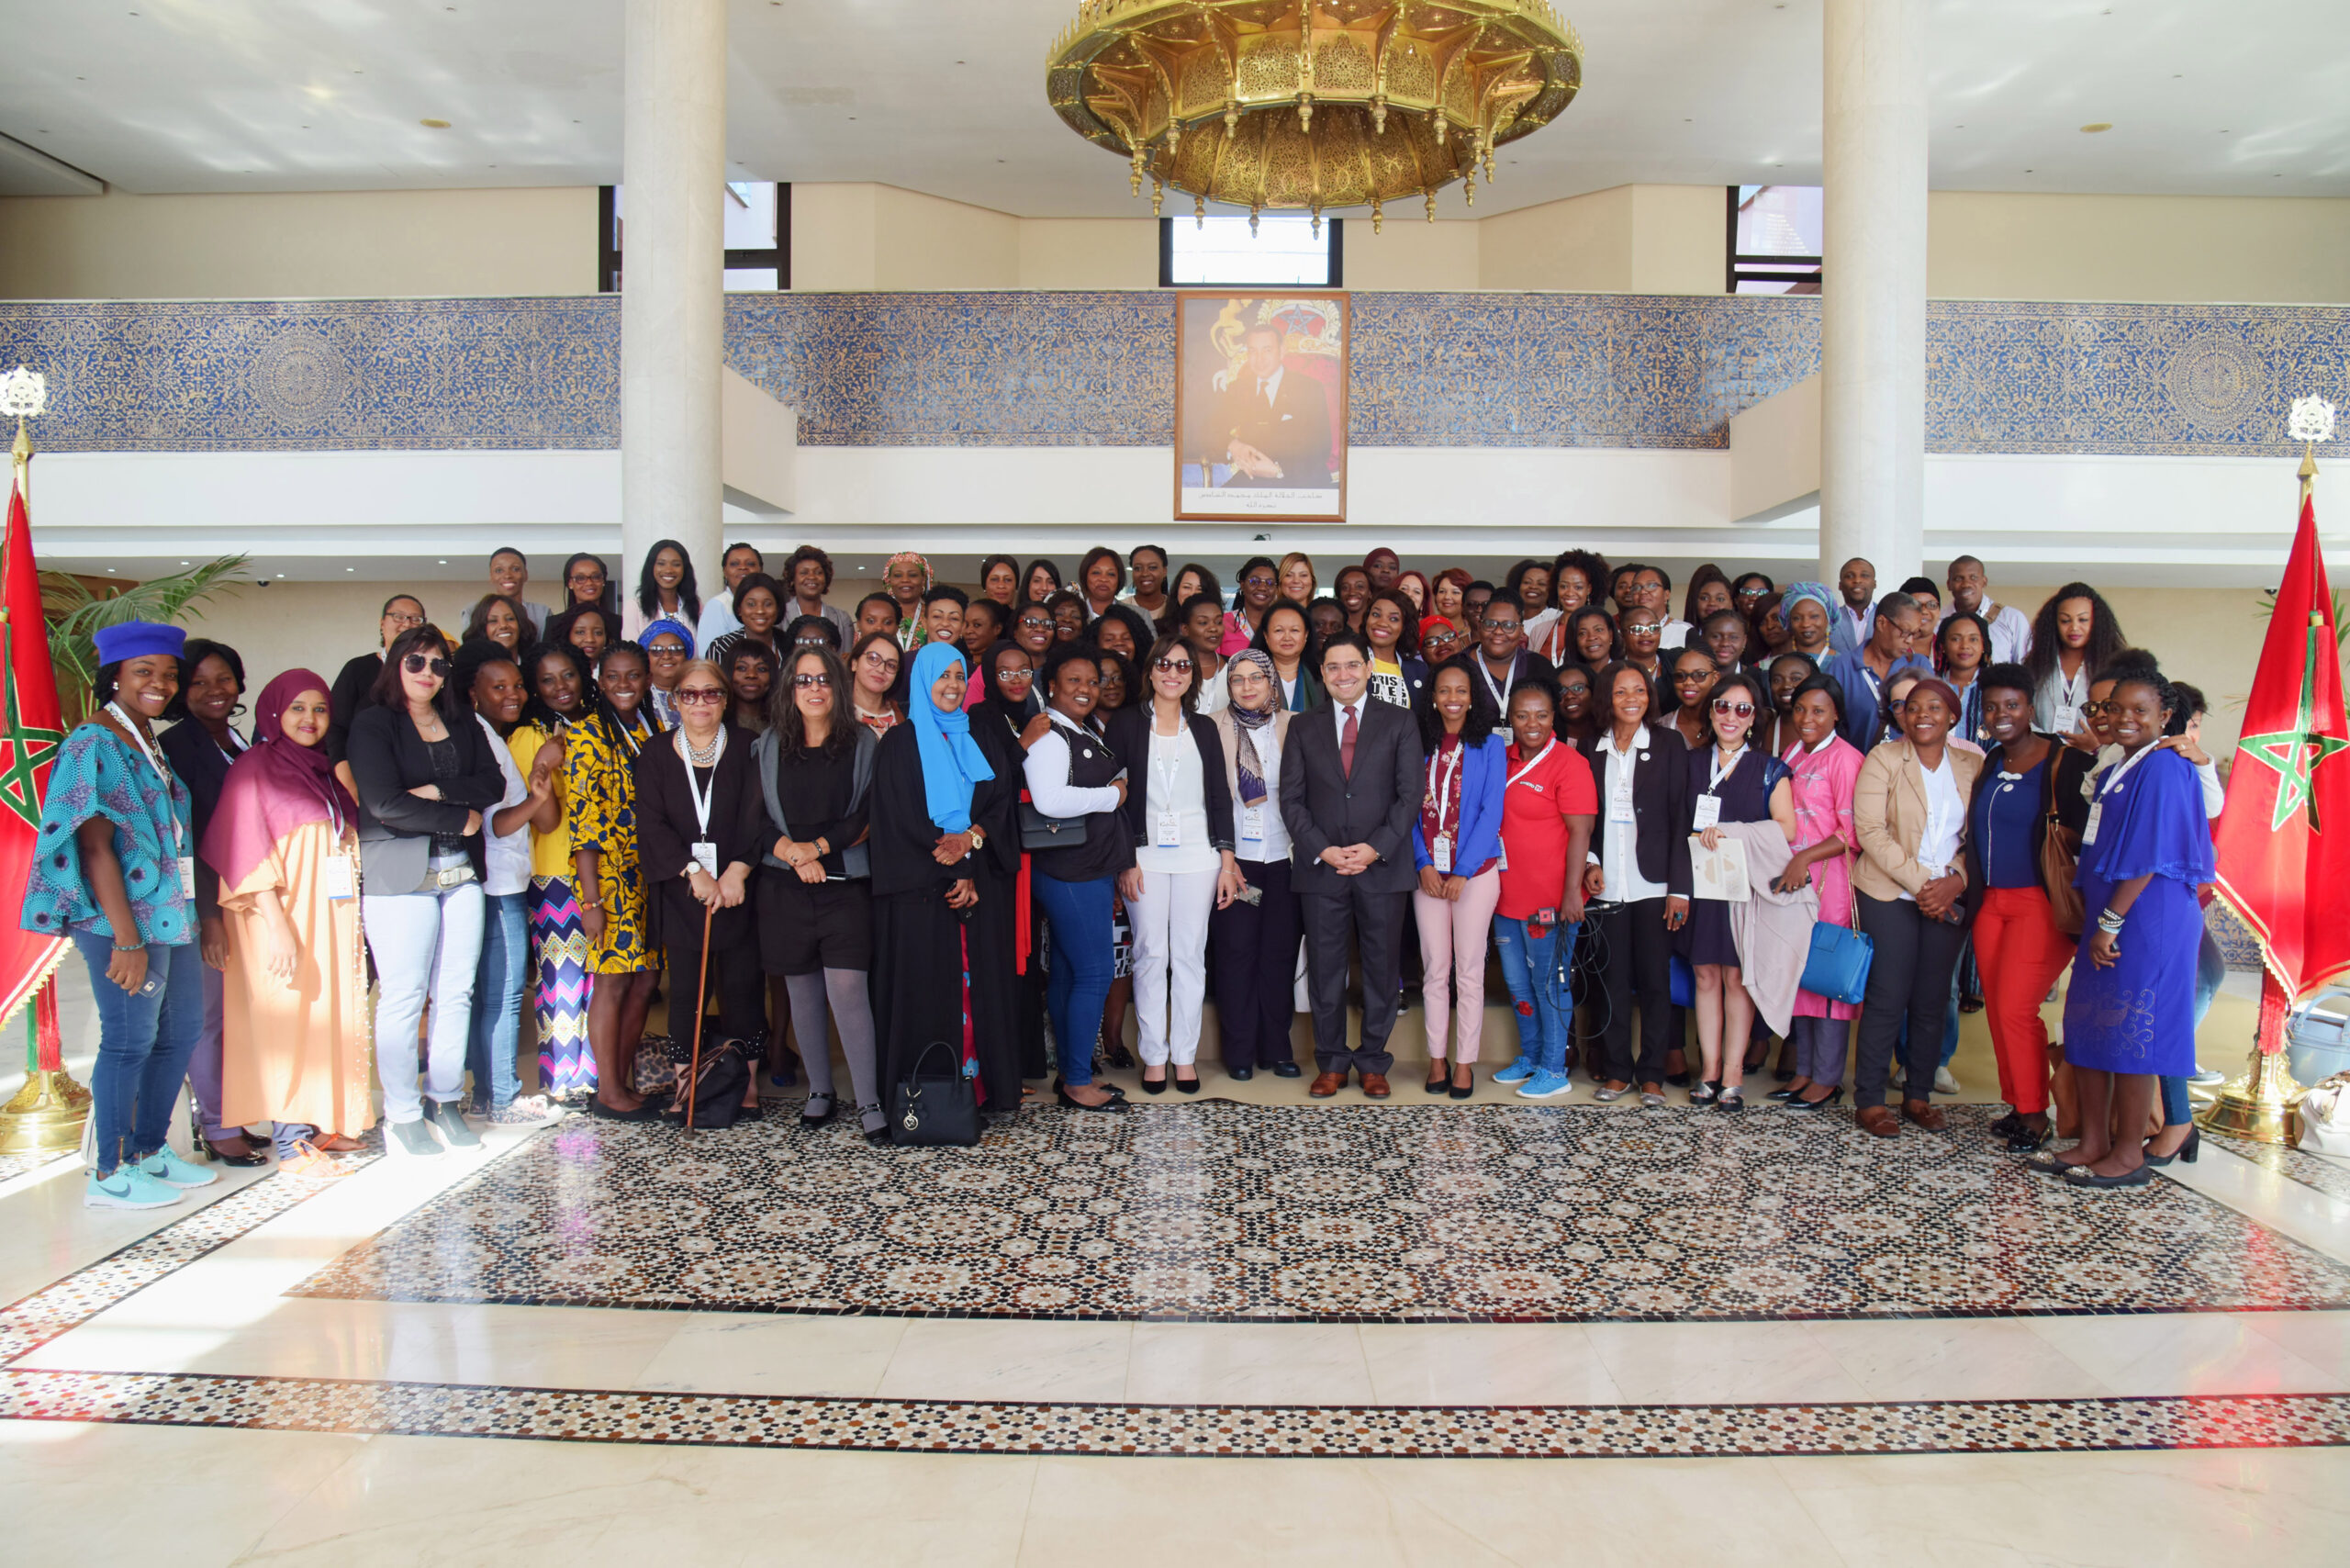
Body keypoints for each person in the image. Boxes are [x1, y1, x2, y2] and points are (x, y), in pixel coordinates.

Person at [27, 622, 213, 1208]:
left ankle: (150, 1150)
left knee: (179, 1032)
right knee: (129, 1041)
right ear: (115, 676)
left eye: (168, 674)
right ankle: (109, 1173)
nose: (160, 683)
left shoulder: (145, 739)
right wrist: (127, 941)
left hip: (170, 915)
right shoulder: (94, 741)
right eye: (145, 672)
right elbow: (94, 845)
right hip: (121, 923)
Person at [2044, 668, 2214, 1186]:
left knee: (2136, 1036)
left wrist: (2110, 923)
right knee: (2092, 1025)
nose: (2125, 719)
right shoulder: (2121, 762)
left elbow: (2149, 856)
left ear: (2165, 716)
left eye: (2140, 711)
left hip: (2147, 918)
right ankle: (2093, 1141)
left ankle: (2128, 1155)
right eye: (2116, 708)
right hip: (2109, 912)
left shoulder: (2165, 765)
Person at [198, 669, 372, 1176]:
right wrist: (277, 926)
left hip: (329, 917)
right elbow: (245, 854)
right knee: (287, 1021)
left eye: (319, 709)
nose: (309, 719)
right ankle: (291, 1136)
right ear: (274, 712)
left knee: (327, 1017)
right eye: (297, 708)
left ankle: (320, 1122)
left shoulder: (319, 771)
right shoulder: (256, 769)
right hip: (281, 919)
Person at [348, 625, 505, 1157]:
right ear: (395, 664)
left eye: (439, 665)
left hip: (460, 873)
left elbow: (493, 785)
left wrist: (441, 795)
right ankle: (403, 1113)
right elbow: (384, 804)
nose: (428, 674)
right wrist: (456, 815)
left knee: (455, 993)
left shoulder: (461, 721)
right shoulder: (373, 724)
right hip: (400, 876)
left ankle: (444, 1100)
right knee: (404, 995)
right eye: (416, 662)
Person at [874, 642, 1031, 1123]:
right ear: (921, 681)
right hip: (924, 895)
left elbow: (999, 803)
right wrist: (955, 867)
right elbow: (899, 819)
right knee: (931, 993)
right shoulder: (899, 744)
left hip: (981, 885)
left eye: (960, 676)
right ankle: (932, 1095)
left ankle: (984, 1090)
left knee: (982, 988)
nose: (952, 686)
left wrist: (972, 841)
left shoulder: (980, 735)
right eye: (942, 676)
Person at [1281, 631, 1422, 1099]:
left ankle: (1374, 1062)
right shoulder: (1303, 726)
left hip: (1381, 867)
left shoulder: (1400, 722)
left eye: (1352, 666)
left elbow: (1409, 797)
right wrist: (1322, 849)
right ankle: (1332, 1062)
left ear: (1367, 668)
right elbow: (1292, 800)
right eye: (1333, 667)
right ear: (1322, 674)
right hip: (1322, 867)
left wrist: (1374, 847)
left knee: (1382, 969)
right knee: (1325, 969)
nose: (1343, 675)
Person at [1962, 662, 2093, 1152]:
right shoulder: (1992, 760)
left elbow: (2090, 832)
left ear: (2030, 708)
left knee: (2019, 1007)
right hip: (1990, 903)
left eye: (2011, 705)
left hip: (2040, 903)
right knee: (1999, 1008)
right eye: (1992, 706)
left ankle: (2037, 1114)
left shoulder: (2065, 761)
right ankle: (2019, 1105)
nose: (2001, 714)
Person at [756, 645, 884, 1136]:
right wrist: (794, 854)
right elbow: (755, 817)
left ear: (838, 685)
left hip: (845, 885)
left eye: (823, 680)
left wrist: (819, 850)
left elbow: (868, 813)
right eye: (803, 681)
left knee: (849, 989)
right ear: (790, 688)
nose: (814, 689)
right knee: (802, 991)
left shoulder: (863, 743)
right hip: (784, 886)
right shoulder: (768, 745)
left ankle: (869, 1101)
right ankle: (820, 1090)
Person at [635, 656, 766, 1124]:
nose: (700, 702)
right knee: (688, 993)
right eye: (689, 693)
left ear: (725, 699)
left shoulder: (750, 748)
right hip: (684, 890)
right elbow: (650, 826)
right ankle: (687, 1088)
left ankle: (746, 1089)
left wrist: (737, 871)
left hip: (738, 889)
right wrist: (694, 872)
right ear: (675, 702)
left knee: (743, 989)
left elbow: (760, 816)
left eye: (711, 692)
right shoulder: (654, 754)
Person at [1104, 633, 1238, 1091]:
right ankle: (1154, 1055)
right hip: (1143, 857)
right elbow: (1115, 802)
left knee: (1188, 956)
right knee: (1149, 954)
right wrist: (1125, 859)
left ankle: (1184, 1056)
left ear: (1192, 675)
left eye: (1183, 666)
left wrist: (1226, 861)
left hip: (1199, 856)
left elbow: (1220, 797)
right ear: (1150, 671)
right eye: (1164, 664)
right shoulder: (1123, 725)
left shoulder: (1202, 727)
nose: (1173, 673)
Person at [1850, 677, 1980, 1138]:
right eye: (1912, 707)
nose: (1922, 714)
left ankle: (1918, 1095)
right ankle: (1868, 1099)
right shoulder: (1883, 758)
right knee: (1888, 996)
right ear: (1901, 716)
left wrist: (1955, 880)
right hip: (1889, 892)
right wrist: (1928, 885)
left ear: (1952, 716)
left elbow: (1978, 835)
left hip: (1947, 894)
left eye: (1934, 707)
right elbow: (1869, 830)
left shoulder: (1971, 763)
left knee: (1931, 998)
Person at [1670, 670, 1796, 1112]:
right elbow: (1674, 829)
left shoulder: (1768, 769)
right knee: (1705, 976)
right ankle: (1708, 1071)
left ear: (1753, 718)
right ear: (1711, 709)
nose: (1731, 716)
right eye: (1723, 706)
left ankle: (1734, 1075)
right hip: (1700, 889)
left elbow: (1787, 828)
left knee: (1737, 980)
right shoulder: (1688, 763)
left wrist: (1731, 831)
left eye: (1743, 709)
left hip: (1745, 890)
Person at [1016, 644, 1131, 1109]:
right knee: (1095, 972)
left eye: (1092, 681)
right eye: (1074, 682)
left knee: (1066, 973)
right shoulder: (1048, 736)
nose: (1085, 689)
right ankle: (1079, 1081)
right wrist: (1112, 796)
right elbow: (1049, 801)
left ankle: (1071, 1071)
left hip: (1086, 870)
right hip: (1071, 873)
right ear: (1052, 688)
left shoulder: (1081, 730)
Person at [159, 640, 261, 1164]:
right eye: (198, 682)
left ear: (240, 682)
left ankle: (237, 1112)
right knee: (208, 1018)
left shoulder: (240, 740)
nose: (214, 691)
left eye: (223, 679)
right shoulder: (177, 745)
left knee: (239, 1014)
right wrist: (208, 916)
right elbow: (189, 836)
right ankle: (217, 1126)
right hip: (208, 902)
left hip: (247, 897)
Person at [455, 640, 560, 1126]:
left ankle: (485, 1093)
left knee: (486, 993)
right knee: (503, 991)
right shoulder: (480, 737)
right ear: (473, 692)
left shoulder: (487, 734)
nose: (512, 694)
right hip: (498, 886)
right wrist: (539, 790)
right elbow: (497, 823)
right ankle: (502, 1096)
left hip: (497, 880)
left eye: (517, 685)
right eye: (498, 687)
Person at [1480, 681, 1597, 1100]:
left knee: (1550, 984)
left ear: (1554, 718)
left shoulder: (1569, 763)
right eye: (1522, 715)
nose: (1532, 723)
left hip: (1551, 899)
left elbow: (1580, 833)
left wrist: (1571, 894)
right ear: (1509, 719)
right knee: (1517, 984)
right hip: (1507, 895)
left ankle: (1554, 1066)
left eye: (1541, 715)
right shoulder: (1503, 759)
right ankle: (1530, 1057)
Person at [567, 643, 667, 1118]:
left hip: (654, 871)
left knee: (646, 979)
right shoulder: (586, 737)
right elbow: (583, 826)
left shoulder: (656, 728)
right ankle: (607, 1089)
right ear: (600, 682)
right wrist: (591, 901)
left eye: (633, 676)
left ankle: (622, 1079)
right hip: (609, 877)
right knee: (612, 981)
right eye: (613, 677)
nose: (624, 685)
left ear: (647, 679)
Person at [1578, 662, 1684, 1106]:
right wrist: (1589, 862)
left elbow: (1680, 819)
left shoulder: (1668, 744)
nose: (1631, 699)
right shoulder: (1590, 747)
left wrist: (1681, 888)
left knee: (1656, 982)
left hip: (1654, 884)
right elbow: (1585, 816)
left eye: (1638, 690)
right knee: (1612, 981)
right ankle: (1619, 1071)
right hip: (1609, 884)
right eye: (1621, 692)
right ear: (1607, 698)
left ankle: (1653, 1074)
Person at [1410, 664, 1510, 1097]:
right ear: (1433, 696)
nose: (1453, 697)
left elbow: (1492, 812)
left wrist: (1463, 871)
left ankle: (1465, 1063)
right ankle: (1437, 1060)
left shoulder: (1489, 746)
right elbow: (1406, 808)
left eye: (1461, 690)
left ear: (1472, 697)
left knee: (1469, 972)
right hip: (1428, 876)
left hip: (1477, 875)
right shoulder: (1417, 743)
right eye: (1444, 690)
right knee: (1435, 970)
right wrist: (1423, 863)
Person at [1209, 652, 1303, 1080]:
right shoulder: (1212, 727)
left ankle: (1277, 1048)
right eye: (1238, 680)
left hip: (1284, 857)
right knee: (1236, 955)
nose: (1247, 687)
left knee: (1279, 956)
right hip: (1235, 863)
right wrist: (1226, 858)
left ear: (1272, 683)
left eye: (1256, 678)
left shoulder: (1295, 725)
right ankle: (1240, 1052)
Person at [1774, 676, 1865, 1111]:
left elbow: (1853, 832)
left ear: (1836, 715)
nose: (1807, 718)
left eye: (1819, 711)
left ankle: (1828, 1078)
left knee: (1826, 977)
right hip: (1794, 880)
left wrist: (1803, 858)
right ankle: (1804, 1072)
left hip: (1829, 879)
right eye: (1801, 709)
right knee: (1800, 976)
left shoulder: (1845, 759)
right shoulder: (1794, 751)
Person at [509, 640, 596, 1102]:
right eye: (547, 679)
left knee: (600, 982)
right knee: (562, 982)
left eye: (568, 675)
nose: (560, 686)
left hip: (606, 872)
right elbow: (546, 819)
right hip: (555, 875)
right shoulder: (526, 739)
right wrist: (546, 761)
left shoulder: (598, 729)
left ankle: (596, 1075)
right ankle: (563, 1082)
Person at [1214, 319, 1334, 488]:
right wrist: (1232, 445)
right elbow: (1210, 430)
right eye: (1253, 351)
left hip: (1302, 479)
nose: (1259, 359)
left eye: (1267, 350)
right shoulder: (1237, 389)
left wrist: (1278, 470)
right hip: (1252, 479)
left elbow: (1321, 448)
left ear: (1282, 351)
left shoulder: (1309, 389)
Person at [326, 593, 426, 778]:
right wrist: (349, 784)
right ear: (382, 623)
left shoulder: (430, 674)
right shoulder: (358, 669)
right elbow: (335, 728)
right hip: (362, 777)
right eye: (398, 616)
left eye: (416, 619)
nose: (407, 624)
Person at [1825, 592, 1932, 752]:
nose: (1910, 641)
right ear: (1881, 623)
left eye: (1914, 634)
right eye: (1905, 632)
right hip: (1858, 770)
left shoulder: (1919, 665)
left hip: (1910, 767)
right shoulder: (1842, 667)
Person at [2026, 581, 2128, 742]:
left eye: (2083, 620)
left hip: (2098, 756)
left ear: (2096, 622)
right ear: (2054, 624)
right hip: (2044, 756)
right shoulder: (2035, 666)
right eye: (2066, 621)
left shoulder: (2116, 667)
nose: (2074, 628)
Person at [1462, 599, 1553, 718]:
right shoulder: (1457, 666)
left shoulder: (1540, 666)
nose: (1498, 631)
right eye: (1490, 624)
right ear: (1480, 626)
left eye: (1509, 625)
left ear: (1521, 631)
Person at [1943, 555, 2032, 665]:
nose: (1966, 584)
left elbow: (2026, 667)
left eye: (1973, 577)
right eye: (1958, 579)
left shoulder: (2012, 618)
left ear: (1984, 581)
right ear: (1949, 584)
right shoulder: (1938, 621)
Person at [622, 538, 702, 644]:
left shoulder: (697, 607)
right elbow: (631, 652)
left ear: (685, 569)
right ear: (651, 567)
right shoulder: (635, 607)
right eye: (661, 563)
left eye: (676, 564)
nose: (669, 570)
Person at [703, 572, 784, 672]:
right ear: (739, 609)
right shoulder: (721, 647)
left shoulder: (789, 645)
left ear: (778, 609)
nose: (760, 611)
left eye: (768, 604)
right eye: (751, 604)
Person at [1363, 588, 1428, 711]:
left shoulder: (1419, 670)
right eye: (1376, 615)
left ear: (1404, 626)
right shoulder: (1351, 663)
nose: (1382, 623)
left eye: (1393, 619)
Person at [1253, 600, 1322, 713]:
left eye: (1294, 630)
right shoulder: (1251, 674)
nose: (1287, 637)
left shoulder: (1322, 675)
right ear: (1266, 635)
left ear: (1306, 635)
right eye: (1279, 630)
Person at [694, 542, 766, 648]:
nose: (742, 568)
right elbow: (707, 655)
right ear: (725, 571)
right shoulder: (717, 605)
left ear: (760, 570)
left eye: (750, 564)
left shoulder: (767, 605)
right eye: (734, 564)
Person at [1938, 610, 1992, 745]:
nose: (1965, 646)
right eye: (1956, 639)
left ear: (1983, 645)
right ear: (1943, 646)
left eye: (1973, 639)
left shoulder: (1996, 688)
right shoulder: (1931, 686)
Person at [784, 544, 856, 644]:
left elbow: (845, 657)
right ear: (792, 579)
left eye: (818, 572)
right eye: (804, 573)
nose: (812, 577)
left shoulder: (842, 619)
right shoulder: (781, 616)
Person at [1177, 591, 1228, 712]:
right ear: (1185, 629)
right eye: (1203, 623)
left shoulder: (1235, 667)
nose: (1213, 628)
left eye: (1218, 622)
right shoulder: (1173, 670)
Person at [1762, 651, 1819, 756]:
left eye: (1796, 679)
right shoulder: (1763, 728)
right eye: (1777, 680)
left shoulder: (1826, 732)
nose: (1786, 686)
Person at [640, 618, 694, 729]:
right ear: (646, 657)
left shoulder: (699, 693)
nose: (666, 656)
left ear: (686, 655)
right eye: (657, 650)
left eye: (675, 649)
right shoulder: (638, 696)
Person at [846, 631, 905, 732]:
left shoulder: (905, 714)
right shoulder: (833, 711)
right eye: (873, 659)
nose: (881, 670)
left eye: (891, 665)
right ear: (854, 664)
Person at [1223, 556, 1281, 655]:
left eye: (1270, 583)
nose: (1262, 588)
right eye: (1254, 581)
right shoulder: (1222, 623)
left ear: (1276, 589)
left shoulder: (1282, 625)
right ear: (1242, 584)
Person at [489, 547, 548, 635]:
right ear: (491, 577)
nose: (507, 576)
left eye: (515, 569)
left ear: (526, 574)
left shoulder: (542, 613)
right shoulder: (473, 613)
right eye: (499, 570)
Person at [1667, 646, 1718, 750]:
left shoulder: (1728, 722)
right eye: (1680, 676)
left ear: (1715, 679)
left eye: (1699, 675)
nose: (1688, 682)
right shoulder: (1661, 727)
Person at [723, 642, 778, 736]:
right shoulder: (717, 724)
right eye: (742, 668)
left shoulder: (784, 724)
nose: (751, 675)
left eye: (761, 669)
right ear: (729, 673)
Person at [1829, 556, 1877, 655]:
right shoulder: (1829, 619)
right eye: (1850, 576)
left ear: (1874, 584)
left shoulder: (1887, 617)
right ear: (1840, 585)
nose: (1857, 580)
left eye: (1864, 575)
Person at [884, 551, 933, 646]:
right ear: (889, 580)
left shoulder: (934, 615)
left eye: (912, 575)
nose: (905, 580)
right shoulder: (879, 614)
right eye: (898, 575)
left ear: (923, 580)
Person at [549, 602, 615, 668]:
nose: (590, 639)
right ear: (567, 635)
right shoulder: (556, 671)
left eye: (598, 633)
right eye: (580, 632)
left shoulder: (614, 670)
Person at [1782, 582, 1833, 662]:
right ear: (1789, 623)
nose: (1806, 624)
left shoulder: (1845, 664)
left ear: (1827, 620)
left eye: (1814, 616)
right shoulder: (1778, 664)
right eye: (1797, 618)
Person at [465, 593, 530, 655]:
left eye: (510, 619)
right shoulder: (474, 665)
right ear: (481, 628)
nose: (503, 625)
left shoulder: (535, 664)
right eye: (493, 621)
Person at [1123, 545, 1171, 622]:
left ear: (1164, 571)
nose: (1145, 573)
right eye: (1138, 568)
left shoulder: (1175, 608)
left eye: (1152, 567)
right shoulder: (1122, 608)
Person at [561, 552, 617, 619]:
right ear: (570, 583)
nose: (589, 583)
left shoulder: (620, 623)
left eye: (596, 577)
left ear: (603, 581)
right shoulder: (553, 623)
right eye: (580, 578)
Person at [1075, 545, 1125, 621]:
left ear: (1119, 579)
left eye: (1111, 574)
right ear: (1085, 576)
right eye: (1096, 573)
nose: (1104, 579)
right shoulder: (1074, 615)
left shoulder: (1139, 614)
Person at [1563, 606, 1617, 672]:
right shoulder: (1570, 678)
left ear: (1611, 636)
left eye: (1599, 630)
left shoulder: (1625, 674)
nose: (1591, 637)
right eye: (1582, 633)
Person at [1682, 565, 1734, 631]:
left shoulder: (1741, 636)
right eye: (1704, 598)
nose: (1712, 603)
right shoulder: (1681, 635)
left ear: (1731, 604)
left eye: (1720, 599)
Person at [1333, 565, 1371, 632]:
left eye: (1359, 587)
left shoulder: (1376, 625)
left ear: (1370, 593)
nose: (1352, 592)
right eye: (1345, 587)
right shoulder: (1332, 626)